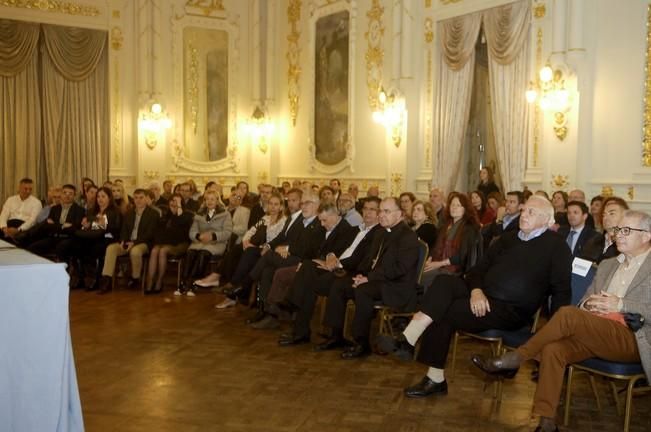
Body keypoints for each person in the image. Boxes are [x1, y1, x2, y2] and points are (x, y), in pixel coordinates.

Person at [472, 210, 651, 432]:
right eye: (617, 230)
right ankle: (546, 422)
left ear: (646, 236)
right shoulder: (607, 265)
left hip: (633, 337)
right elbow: (585, 301)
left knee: (567, 314)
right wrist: (589, 305)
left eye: (626, 231)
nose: (618, 235)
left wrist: (620, 305)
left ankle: (517, 358)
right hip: (596, 329)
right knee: (554, 350)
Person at [377, 196, 572, 399]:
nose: (524, 215)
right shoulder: (508, 238)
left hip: (510, 309)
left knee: (443, 310)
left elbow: (561, 292)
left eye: (531, 212)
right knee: (443, 282)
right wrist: (476, 291)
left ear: (546, 219)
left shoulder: (557, 247)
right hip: (481, 295)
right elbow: (478, 270)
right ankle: (408, 340)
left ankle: (431, 374)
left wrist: (556, 330)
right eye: (524, 211)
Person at [322, 197, 421, 359]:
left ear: (400, 214)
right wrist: (362, 274)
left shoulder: (407, 237)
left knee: (363, 291)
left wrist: (369, 278)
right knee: (340, 284)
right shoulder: (381, 231)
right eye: (381, 211)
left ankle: (361, 343)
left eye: (386, 211)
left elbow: (400, 269)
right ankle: (336, 335)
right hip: (378, 280)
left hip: (396, 286)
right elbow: (370, 260)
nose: (381, 215)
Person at [278, 197, 382, 346]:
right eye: (365, 209)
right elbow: (338, 248)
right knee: (308, 267)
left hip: (348, 272)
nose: (368, 213)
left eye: (373, 209)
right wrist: (331, 256)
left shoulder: (378, 234)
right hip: (336, 267)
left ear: (378, 213)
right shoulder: (356, 230)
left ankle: (297, 320)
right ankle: (300, 327)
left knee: (308, 279)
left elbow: (362, 259)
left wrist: (337, 264)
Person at [97, 189, 160, 293]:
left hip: (143, 243)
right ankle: (106, 279)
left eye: (141, 198)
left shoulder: (153, 214)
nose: (138, 200)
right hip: (127, 242)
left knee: (135, 251)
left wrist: (134, 242)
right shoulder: (129, 213)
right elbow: (124, 230)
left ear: (146, 199)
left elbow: (150, 234)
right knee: (111, 248)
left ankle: (135, 278)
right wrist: (122, 240)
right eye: (136, 198)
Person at [177, 190, 233, 296]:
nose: (209, 201)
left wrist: (213, 236)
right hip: (199, 242)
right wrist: (198, 236)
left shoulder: (225, 214)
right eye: (207, 199)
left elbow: (227, 232)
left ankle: (193, 284)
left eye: (212, 199)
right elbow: (192, 232)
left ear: (217, 200)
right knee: (190, 253)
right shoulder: (199, 213)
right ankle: (183, 284)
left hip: (216, 243)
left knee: (203, 253)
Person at [144, 194, 194, 294]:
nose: (173, 203)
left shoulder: (187, 215)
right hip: (166, 242)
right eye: (171, 200)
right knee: (154, 250)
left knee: (163, 251)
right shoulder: (165, 215)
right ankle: (150, 282)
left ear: (181, 204)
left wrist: (177, 211)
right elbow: (159, 232)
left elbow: (181, 235)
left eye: (176, 201)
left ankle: (159, 281)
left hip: (181, 244)